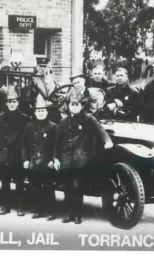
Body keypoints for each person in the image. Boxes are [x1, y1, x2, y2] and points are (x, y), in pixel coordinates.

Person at [54, 90, 113, 224]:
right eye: (72, 104)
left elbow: (101, 130)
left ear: (81, 106)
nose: (74, 107)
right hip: (66, 160)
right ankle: (69, 214)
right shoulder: (63, 121)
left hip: (80, 160)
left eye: (76, 104)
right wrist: (56, 158)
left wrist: (107, 141)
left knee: (77, 187)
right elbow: (57, 141)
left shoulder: (88, 119)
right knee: (67, 188)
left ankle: (77, 215)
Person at [0, 86, 30, 216]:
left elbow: (26, 139)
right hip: (4, 155)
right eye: (10, 102)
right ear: (6, 103)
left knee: (19, 183)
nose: (12, 104)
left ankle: (20, 207)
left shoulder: (24, 118)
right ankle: (5, 206)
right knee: (5, 182)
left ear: (18, 102)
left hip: (17, 155)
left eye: (14, 101)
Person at [22, 95, 58, 220]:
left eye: (43, 110)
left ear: (47, 112)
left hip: (47, 162)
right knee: (36, 187)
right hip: (34, 161)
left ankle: (51, 212)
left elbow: (56, 145)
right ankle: (39, 210)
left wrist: (53, 160)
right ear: (35, 112)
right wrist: (25, 159)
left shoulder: (53, 127)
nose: (41, 113)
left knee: (48, 187)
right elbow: (24, 145)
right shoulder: (29, 126)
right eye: (38, 111)